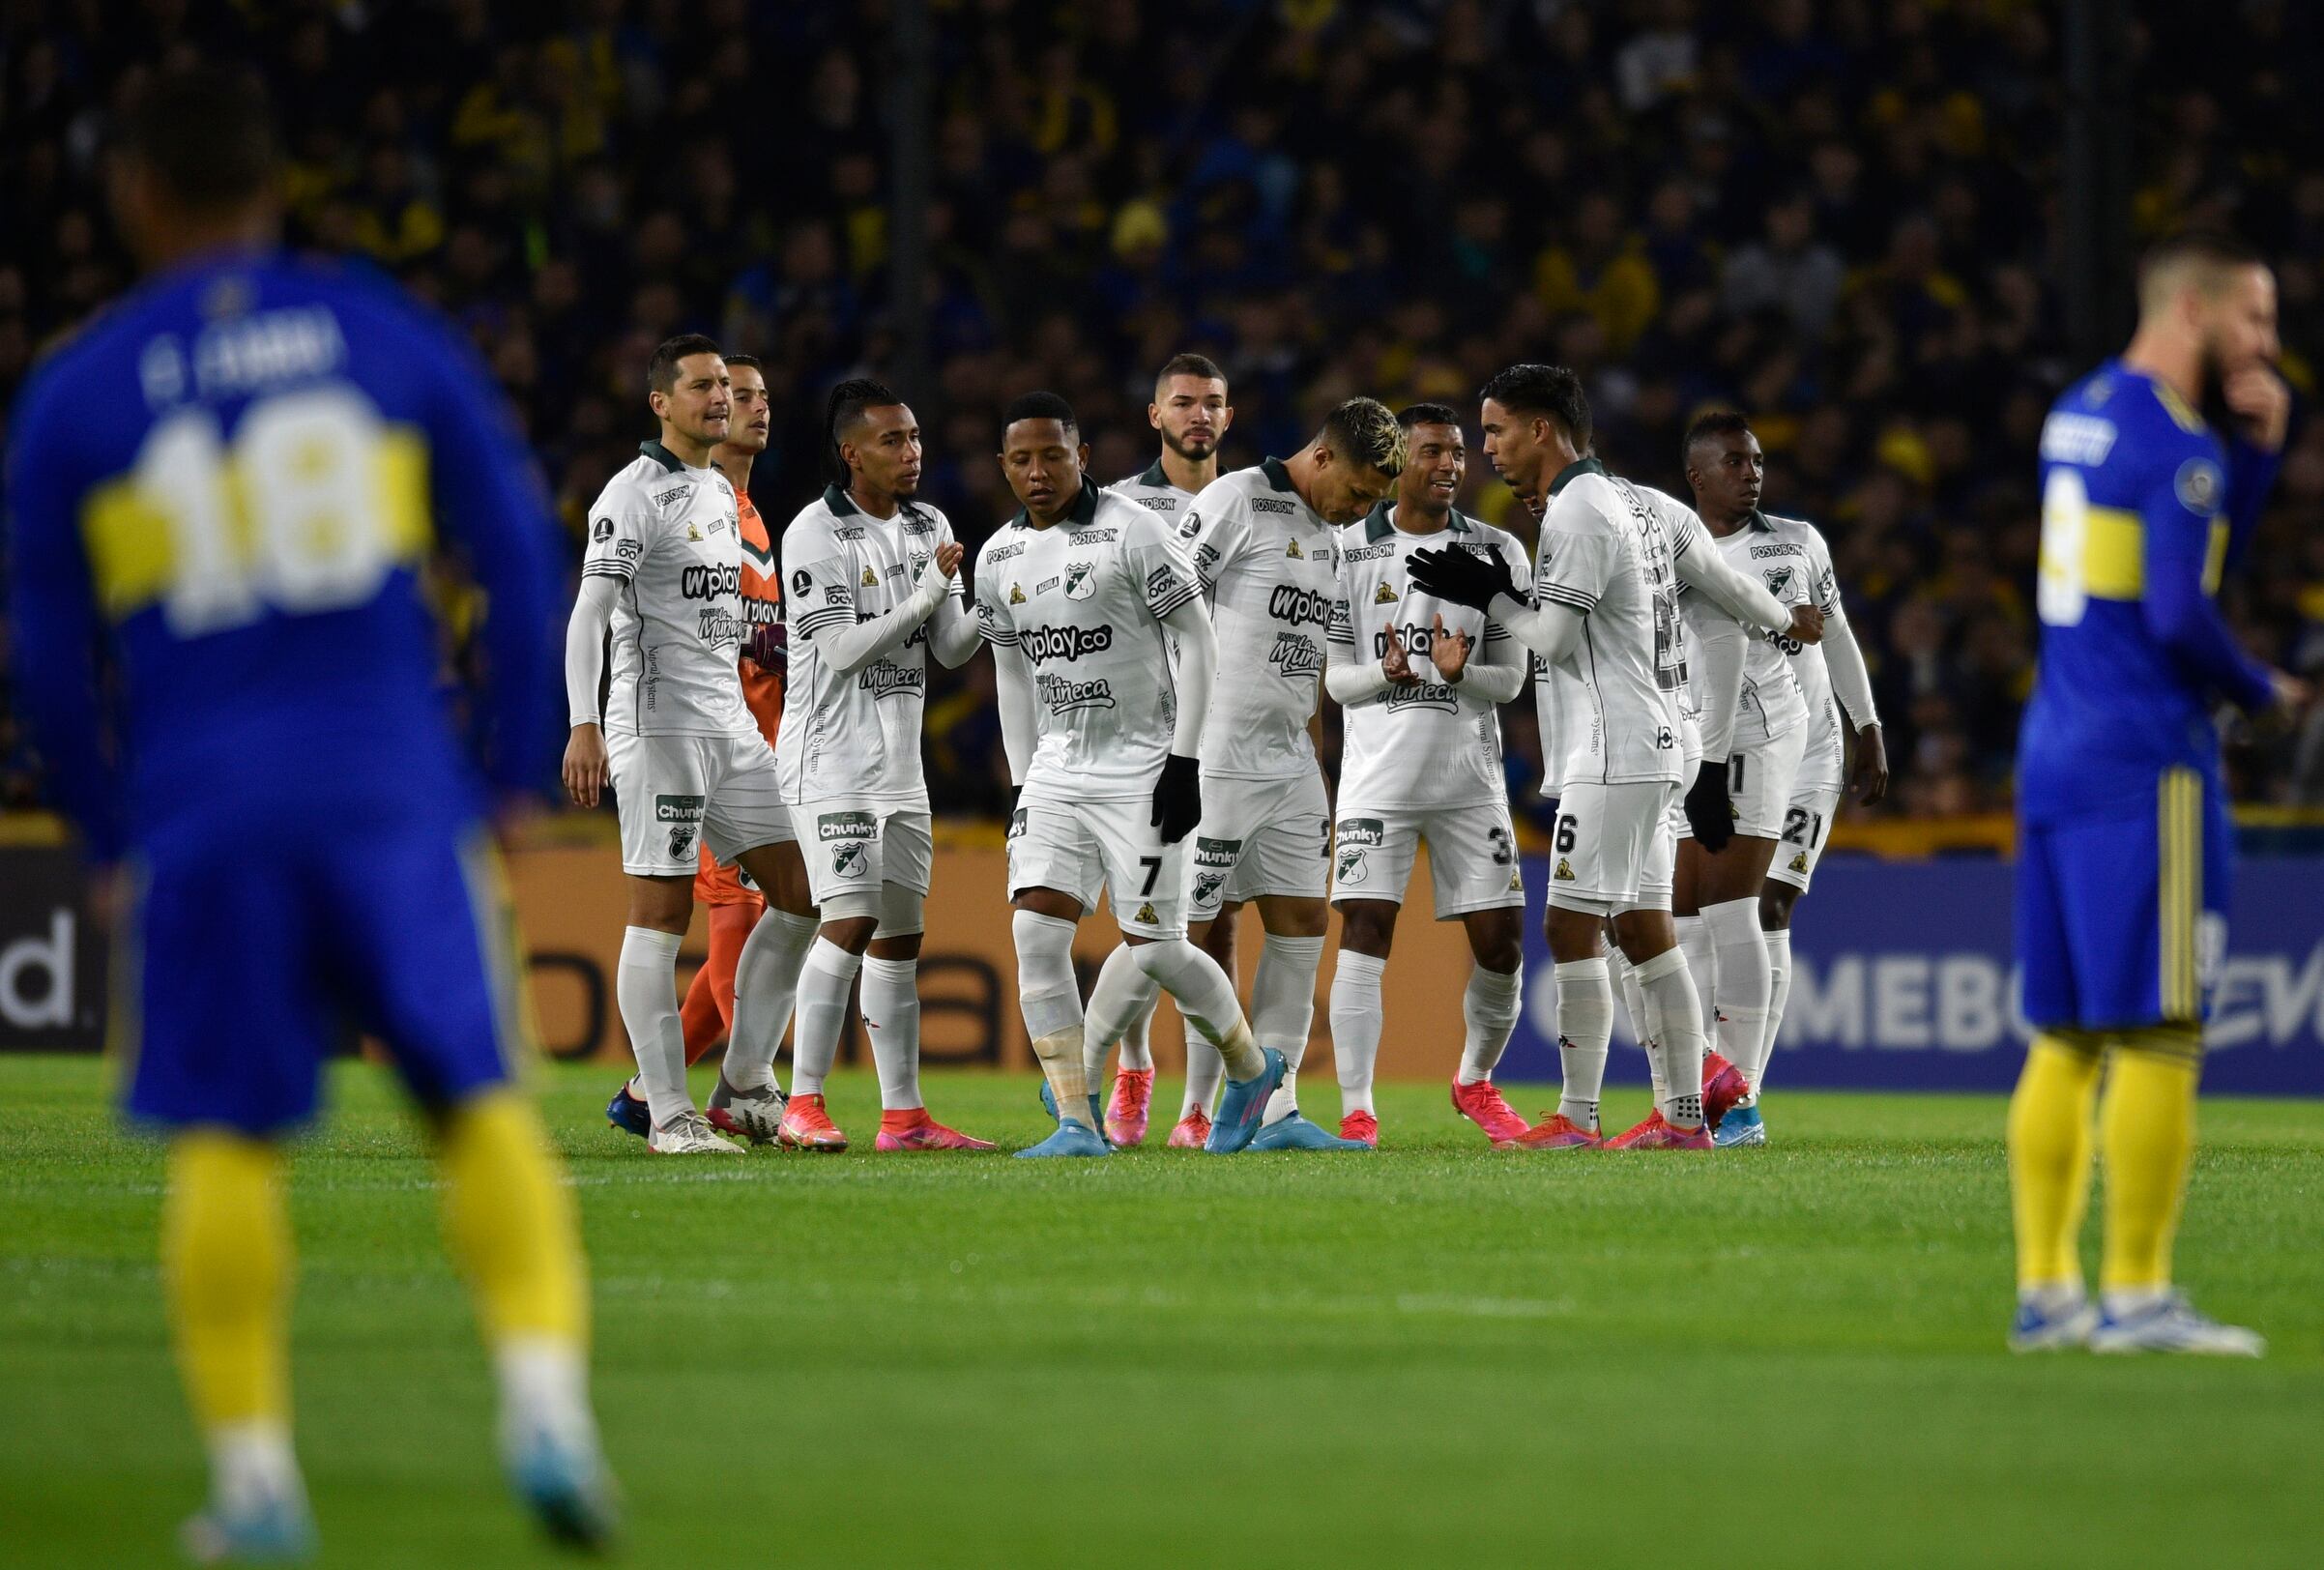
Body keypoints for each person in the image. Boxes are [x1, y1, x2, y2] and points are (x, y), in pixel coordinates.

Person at [5, 65, 614, 1556]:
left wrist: (103, 829)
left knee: (226, 1138)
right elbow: (519, 556)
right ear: (272, 189)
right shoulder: (373, 331)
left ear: (135, 198)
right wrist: (505, 775)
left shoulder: (80, 389)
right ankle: (546, 1410)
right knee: (475, 1103)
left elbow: (40, 651)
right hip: (390, 788)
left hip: (206, 812)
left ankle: (257, 1482)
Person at [2008, 233, 2301, 1355]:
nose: (2268, 344)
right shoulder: (2179, 447)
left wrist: (2257, 463)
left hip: (2055, 748)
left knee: (2067, 1036)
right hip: (2146, 762)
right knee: (2164, 1033)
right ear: (2194, 306)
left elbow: (2168, 568)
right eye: (2256, 318)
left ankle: (2046, 1294)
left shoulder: (2077, 413)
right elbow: (2181, 616)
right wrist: (2260, 688)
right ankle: (2135, 1296)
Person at [1411, 364, 1815, 1149]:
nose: (1487, 447)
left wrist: (1490, 593)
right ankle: (1689, 1110)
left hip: (1616, 747)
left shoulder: (1579, 512)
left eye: (1494, 430)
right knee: (1643, 926)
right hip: (1665, 742)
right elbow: (1732, 588)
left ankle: (1576, 1115)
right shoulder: (1645, 502)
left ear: (1538, 429)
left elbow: (1553, 642)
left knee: (1570, 927)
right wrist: (1789, 622)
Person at [1076, 397, 1404, 1152]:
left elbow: (1311, 658)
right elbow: (1156, 613)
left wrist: (1318, 760)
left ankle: (1269, 1111)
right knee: (1171, 936)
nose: (1361, 509)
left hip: (1288, 761)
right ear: (1322, 458)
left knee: (1300, 924)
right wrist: (1168, 746)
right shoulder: (1236, 500)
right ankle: (1076, 1086)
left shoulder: (1333, 533)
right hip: (1212, 759)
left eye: (1373, 502)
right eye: (1357, 491)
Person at [973, 392, 1287, 1158]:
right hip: (1057, 772)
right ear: (1004, 467)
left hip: (1143, 767)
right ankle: (1076, 1123)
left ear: (1083, 457)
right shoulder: (996, 558)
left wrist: (1183, 762)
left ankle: (1251, 1069)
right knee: (1034, 935)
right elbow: (1011, 677)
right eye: (1022, 459)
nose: (1039, 472)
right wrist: (1021, 787)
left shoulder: (1134, 532)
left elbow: (1200, 642)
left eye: (1054, 455)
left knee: (1153, 946)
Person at [564, 335, 800, 1155]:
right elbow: (589, 614)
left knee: (804, 891)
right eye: (702, 387)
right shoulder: (631, 494)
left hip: (730, 726)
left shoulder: (716, 494)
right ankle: (668, 1112)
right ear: (660, 402)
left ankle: (741, 1080)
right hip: (657, 727)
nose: (721, 400)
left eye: (725, 389)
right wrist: (583, 724)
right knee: (660, 916)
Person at [765, 379, 994, 1152]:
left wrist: (990, 602)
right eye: (893, 441)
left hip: (900, 767)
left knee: (900, 938)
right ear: (850, 452)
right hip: (830, 761)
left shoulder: (931, 522)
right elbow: (841, 650)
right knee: (851, 919)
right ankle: (804, 1100)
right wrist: (930, 591)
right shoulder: (813, 534)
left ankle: (904, 1117)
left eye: (917, 438)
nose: (912, 453)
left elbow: (953, 648)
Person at [1323, 405, 1533, 1148]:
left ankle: (1475, 1079)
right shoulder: (1344, 550)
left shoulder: (1497, 550)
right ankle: (1357, 1108)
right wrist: (1383, 674)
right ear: (1397, 462)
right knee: (1365, 930)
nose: (1450, 465)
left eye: (1458, 452)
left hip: (1469, 779)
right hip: (1377, 778)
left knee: (1503, 942)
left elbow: (1513, 679)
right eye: (1432, 452)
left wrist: (1462, 669)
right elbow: (1333, 677)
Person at [1680, 411, 1886, 1148]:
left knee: (1768, 907)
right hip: (1716, 750)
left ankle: (1745, 1097)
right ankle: (1703, 1082)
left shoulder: (1796, 541)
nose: (1751, 472)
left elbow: (1836, 634)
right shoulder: (1682, 551)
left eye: (1758, 460)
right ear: (1697, 476)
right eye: (1735, 462)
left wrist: (1868, 726)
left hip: (1807, 752)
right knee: (1702, 921)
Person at [1100, 352, 1233, 1145]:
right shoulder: (1117, 506)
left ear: (1229, 415)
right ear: (1155, 415)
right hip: (1140, 737)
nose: (1199, 416)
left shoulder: (1250, 500)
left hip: (1226, 742)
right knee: (1141, 923)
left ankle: (1200, 1107)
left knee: (1214, 924)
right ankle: (1136, 1065)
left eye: (1213, 403)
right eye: (1183, 403)